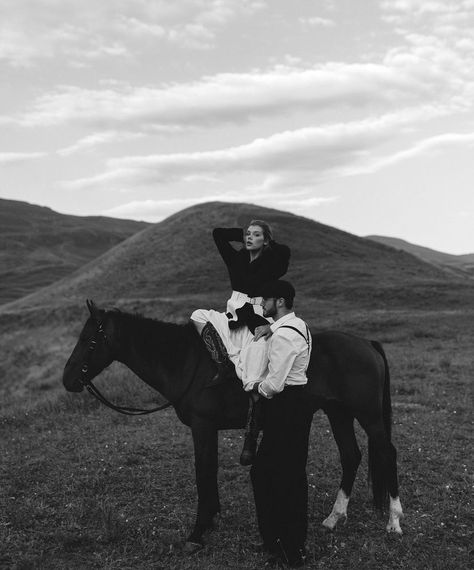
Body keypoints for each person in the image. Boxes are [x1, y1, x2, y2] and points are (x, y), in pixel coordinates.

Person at [190, 221, 290, 462]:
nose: (249, 238)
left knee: (252, 379)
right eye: (247, 234)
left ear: (265, 240)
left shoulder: (273, 261)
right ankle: (223, 364)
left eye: (256, 235)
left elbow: (284, 252)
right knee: (198, 315)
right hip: (232, 313)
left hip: (255, 316)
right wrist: (242, 232)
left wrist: (268, 242)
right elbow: (217, 234)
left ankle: (250, 438)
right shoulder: (236, 258)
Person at [249, 279, 313, 569]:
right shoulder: (297, 325)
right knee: (282, 473)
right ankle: (282, 541)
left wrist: (254, 388)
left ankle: (287, 545)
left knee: (277, 475)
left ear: (281, 302)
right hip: (296, 403)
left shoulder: (284, 336)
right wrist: (269, 328)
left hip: (285, 405)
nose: (262, 305)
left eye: (266, 300)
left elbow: (274, 384)